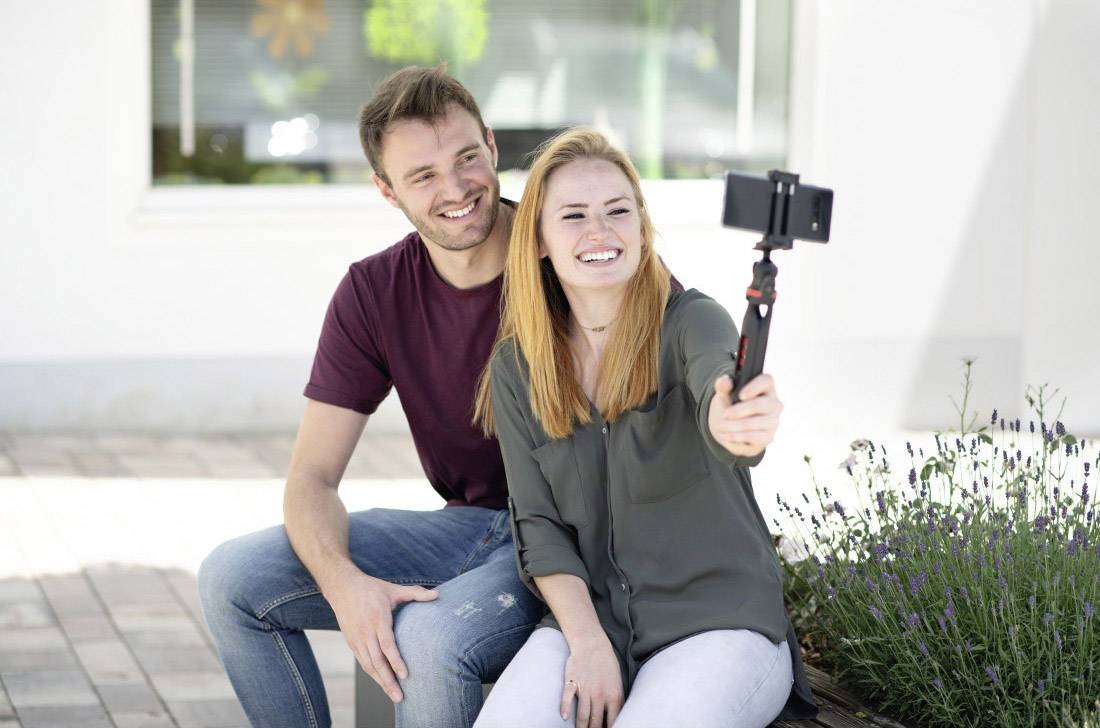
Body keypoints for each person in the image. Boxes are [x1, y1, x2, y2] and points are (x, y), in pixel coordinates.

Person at [196, 65, 553, 728]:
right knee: (230, 580)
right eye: (423, 176)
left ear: (493, 147)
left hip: (565, 536)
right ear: (387, 191)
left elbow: (683, 347)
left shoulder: (567, 245)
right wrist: (346, 586)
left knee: (428, 640)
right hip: (469, 528)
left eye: (466, 158)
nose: (456, 188)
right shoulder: (374, 292)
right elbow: (312, 477)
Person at [470, 128, 819, 728]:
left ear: (642, 226)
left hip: (721, 623)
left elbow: (720, 387)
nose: (599, 231)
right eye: (574, 215)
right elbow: (540, 526)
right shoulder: (517, 367)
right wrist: (585, 643)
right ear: (541, 242)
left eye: (617, 211)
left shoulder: (691, 321)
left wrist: (738, 420)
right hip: (595, 621)